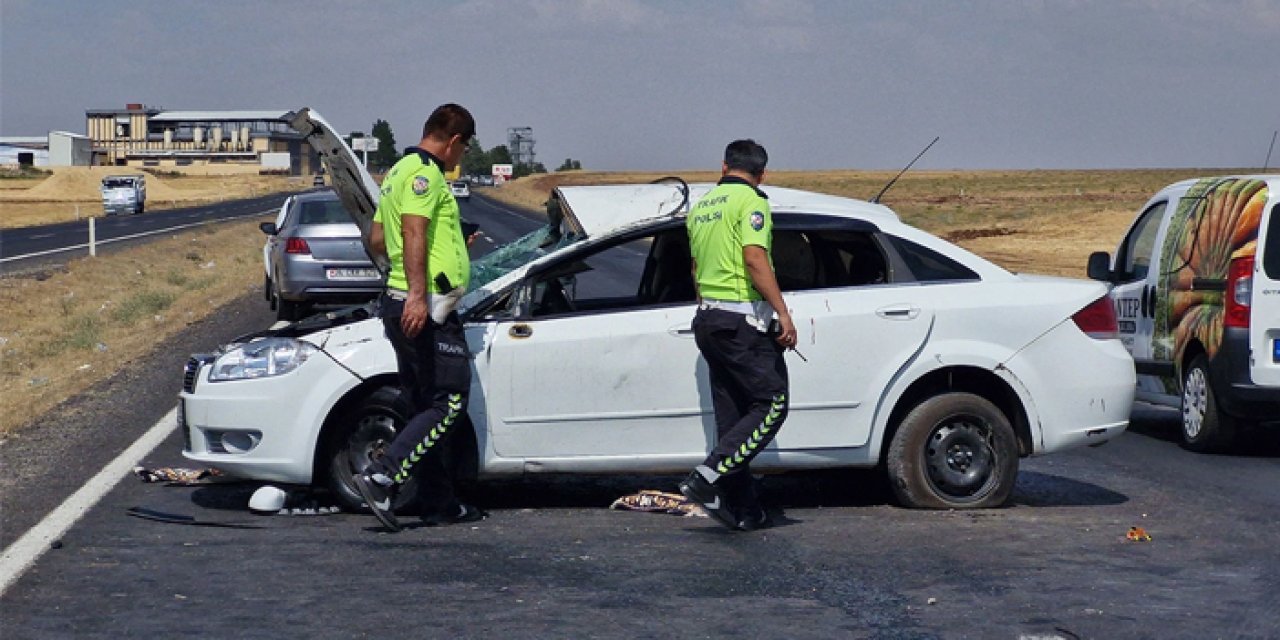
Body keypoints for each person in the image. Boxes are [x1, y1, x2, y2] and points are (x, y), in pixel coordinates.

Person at [355, 103, 486, 532]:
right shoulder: (425, 174)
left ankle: (438, 502)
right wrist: (416, 293)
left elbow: (377, 237)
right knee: (449, 402)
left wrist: (438, 250)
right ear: (453, 141)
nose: (460, 158)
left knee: (422, 406)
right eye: (463, 149)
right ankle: (383, 474)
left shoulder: (395, 173)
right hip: (426, 306)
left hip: (403, 298)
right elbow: (413, 229)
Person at [679, 139, 797, 532]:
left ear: (724, 166)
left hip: (709, 318)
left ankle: (740, 506)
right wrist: (781, 311)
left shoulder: (702, 206)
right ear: (762, 174)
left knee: (732, 418)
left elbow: (696, 268)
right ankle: (708, 476)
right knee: (772, 403)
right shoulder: (752, 203)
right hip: (741, 320)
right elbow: (754, 257)